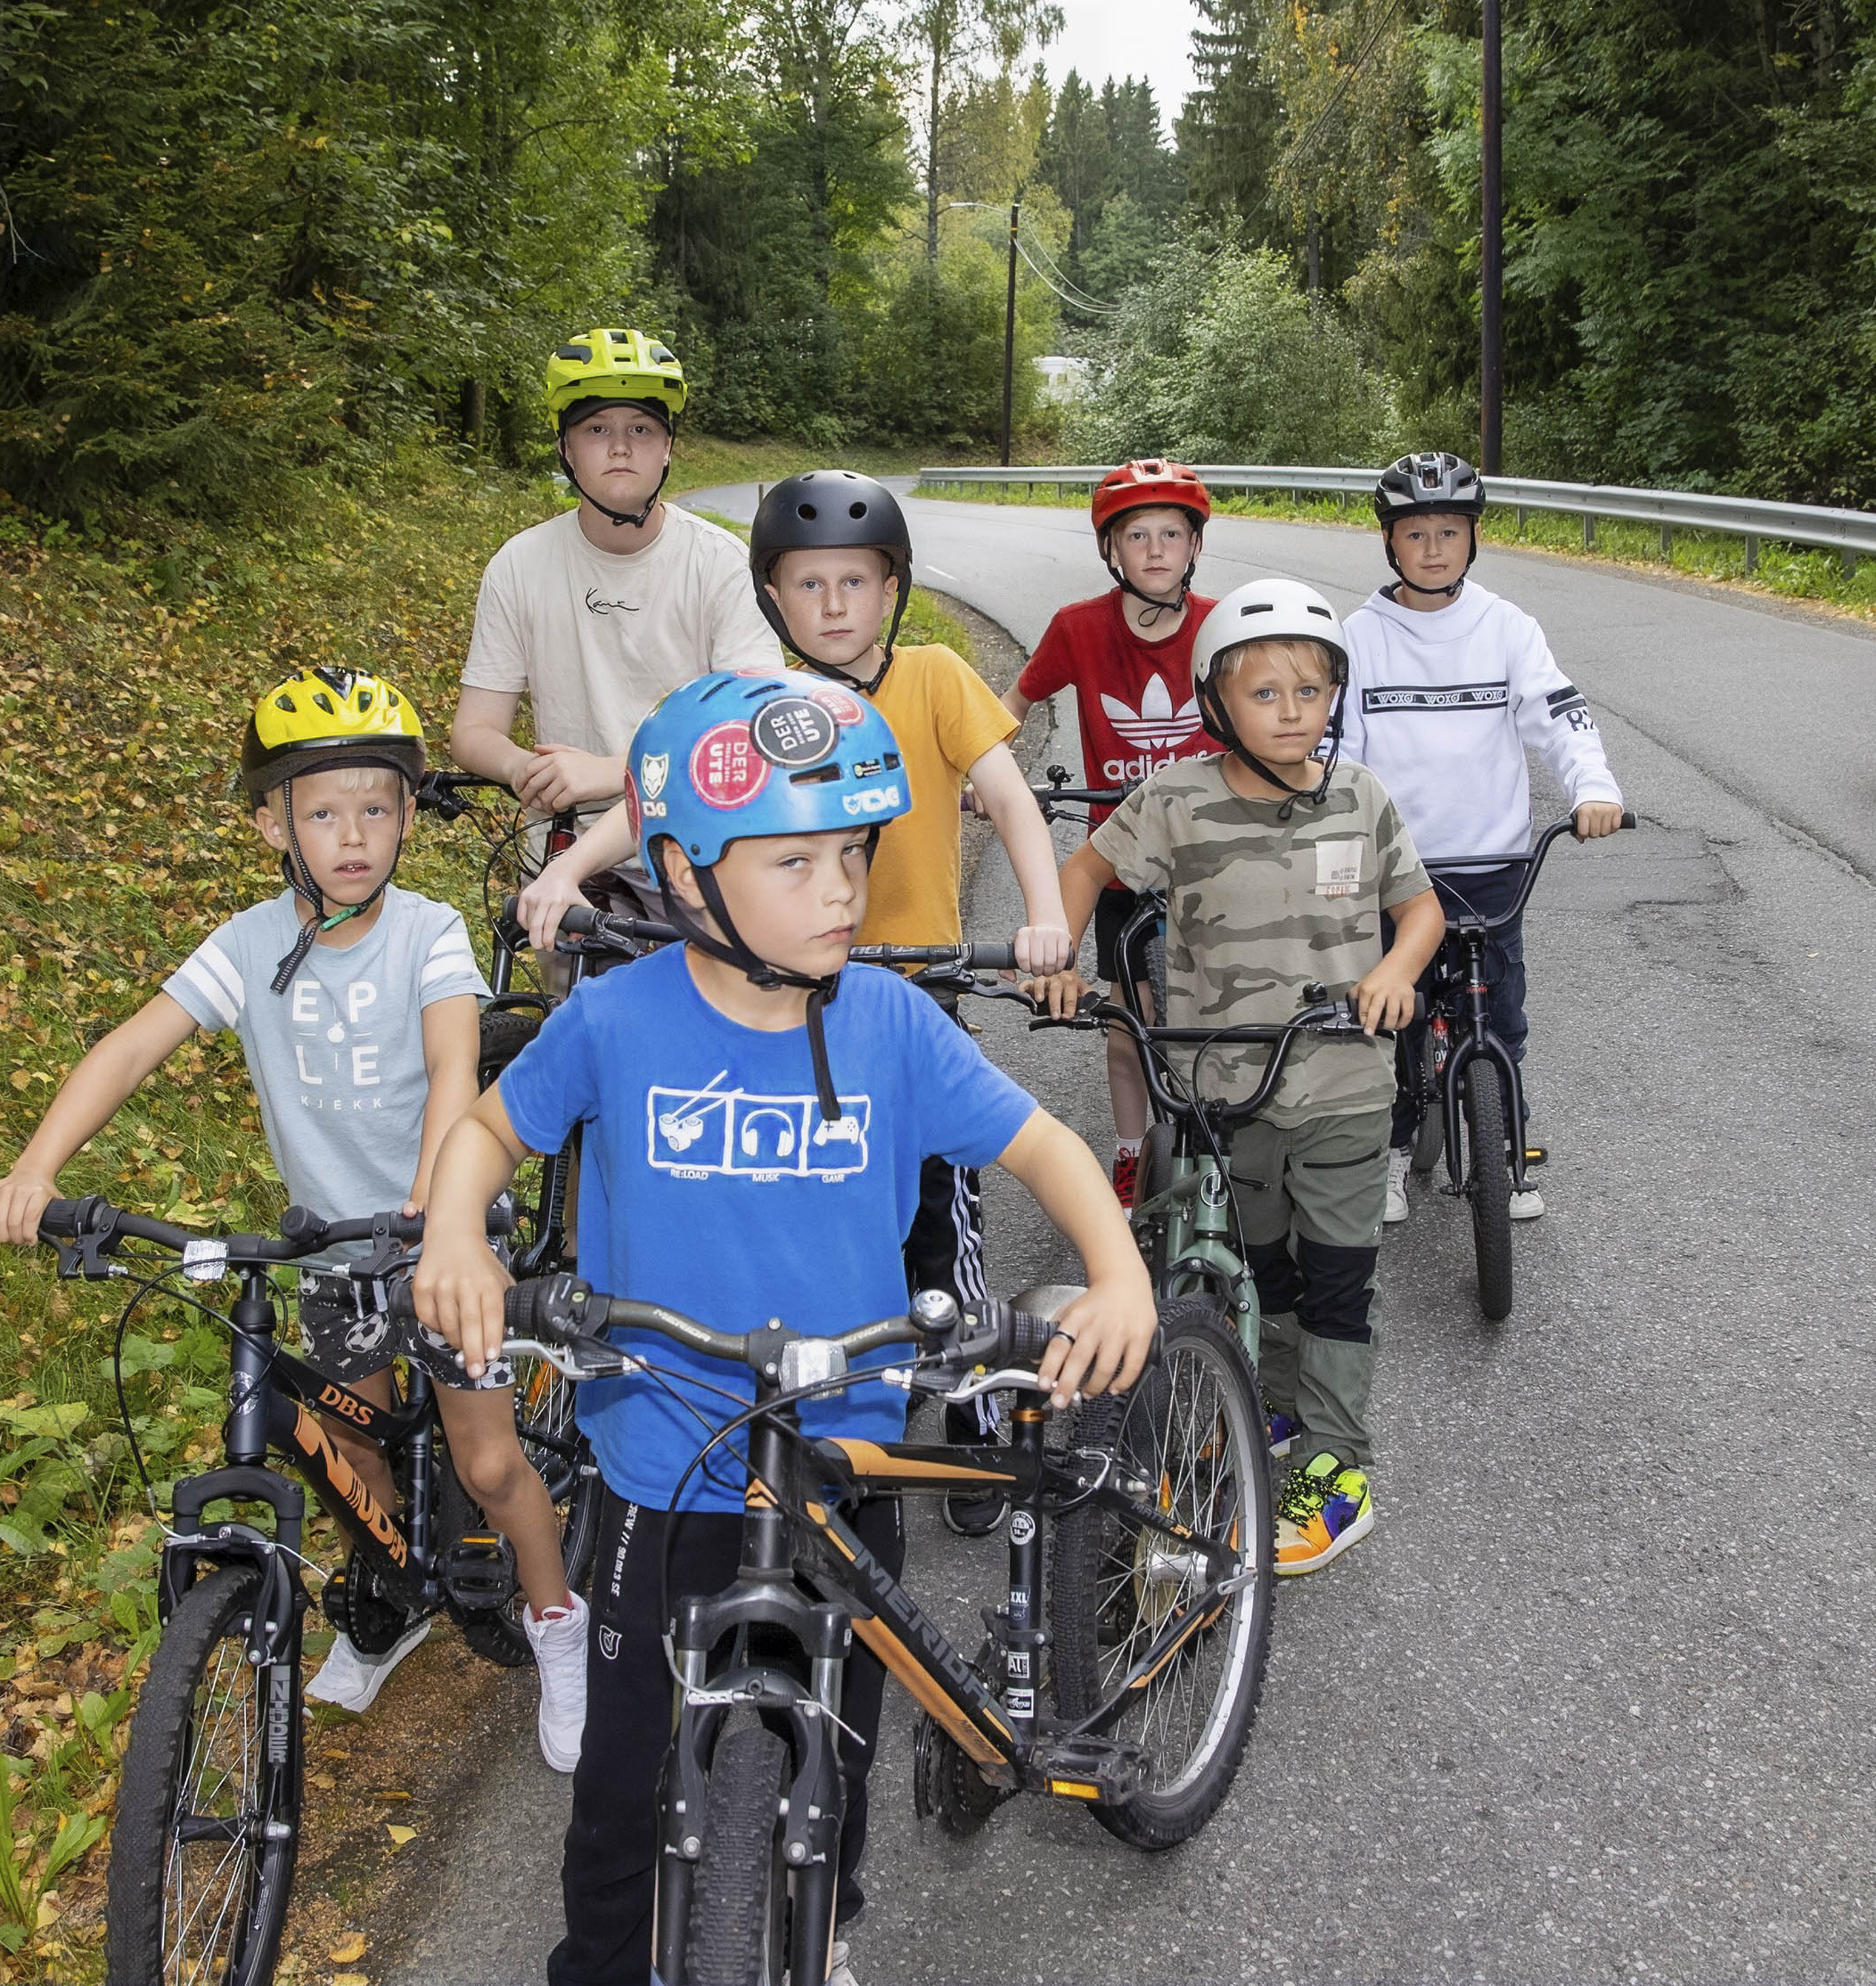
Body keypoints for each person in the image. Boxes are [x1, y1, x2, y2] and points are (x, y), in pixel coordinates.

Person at [411, 671, 1156, 1986]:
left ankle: (830, 1915)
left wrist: (1118, 1271)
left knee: (841, 1725)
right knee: (626, 1775)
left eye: (854, 854)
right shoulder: (617, 1019)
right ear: (688, 879)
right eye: (796, 860)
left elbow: (1046, 1147)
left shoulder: (889, 1024)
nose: (842, 891)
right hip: (661, 1465)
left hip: (843, 1457)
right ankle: (598, 1962)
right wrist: (459, 1234)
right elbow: (485, 1130)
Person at [0, 668, 590, 1767]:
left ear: (407, 815)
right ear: (272, 822)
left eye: (374, 805)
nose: (351, 833)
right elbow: (130, 1044)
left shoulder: (428, 931)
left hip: (438, 1235)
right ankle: (393, 1601)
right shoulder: (248, 944)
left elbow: (455, 1062)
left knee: (491, 1463)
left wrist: (432, 1201)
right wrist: (35, 1165)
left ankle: (555, 1621)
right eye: (320, 809)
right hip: (330, 1247)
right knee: (348, 1445)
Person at [1029, 579, 1443, 1577]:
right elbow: (1083, 872)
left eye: (1310, 690)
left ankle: (1340, 1466)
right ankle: (1278, 1400)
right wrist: (1055, 953)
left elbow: (1419, 906)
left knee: (1339, 1276)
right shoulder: (1174, 799)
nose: (1291, 711)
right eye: (1264, 693)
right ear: (1215, 702)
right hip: (1222, 1084)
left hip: (1343, 1081)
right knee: (1261, 1264)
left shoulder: (1361, 796)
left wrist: (1392, 969)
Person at [1338, 451, 1624, 1226]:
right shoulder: (1360, 638)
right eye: (1417, 533)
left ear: (1474, 539)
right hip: (1398, 871)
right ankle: (1392, 1149)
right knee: (1390, 1016)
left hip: (1493, 863)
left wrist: (1592, 789)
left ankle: (1507, 1151)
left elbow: (1562, 717)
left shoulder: (1507, 629)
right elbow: (1344, 752)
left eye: (1451, 532)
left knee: (1500, 1018)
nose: (1434, 548)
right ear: (1390, 544)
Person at [454, 329, 782, 933]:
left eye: (641, 429)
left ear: (667, 450)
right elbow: (474, 731)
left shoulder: (719, 563)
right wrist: (527, 769)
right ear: (566, 449)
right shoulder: (519, 565)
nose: (620, 447)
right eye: (597, 429)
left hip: (700, 850)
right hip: (569, 862)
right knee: (573, 1020)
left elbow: (747, 727)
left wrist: (609, 773)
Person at [1002, 459, 1222, 1207]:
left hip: (1214, 857)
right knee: (1128, 1025)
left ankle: (1238, 1138)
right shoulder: (1078, 628)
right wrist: (981, 773)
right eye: (1137, 535)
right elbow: (1012, 706)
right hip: (1122, 861)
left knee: (1238, 1009)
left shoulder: (1222, 626)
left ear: (1194, 547)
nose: (1156, 549)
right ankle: (1131, 1153)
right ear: (1112, 550)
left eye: (1172, 533)